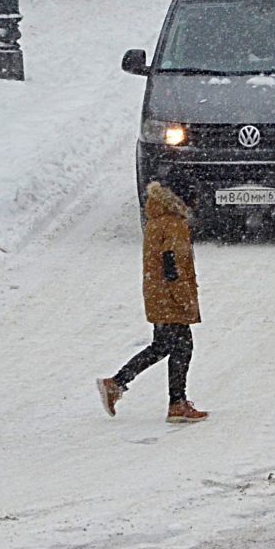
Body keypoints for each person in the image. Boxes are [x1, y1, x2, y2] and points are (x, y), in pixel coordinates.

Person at [98, 181, 207, 423]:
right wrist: (185, 300)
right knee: (182, 346)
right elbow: (173, 266)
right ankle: (174, 402)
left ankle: (120, 384)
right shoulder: (174, 223)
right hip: (169, 297)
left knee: (164, 346)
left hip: (157, 294)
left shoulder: (157, 220)